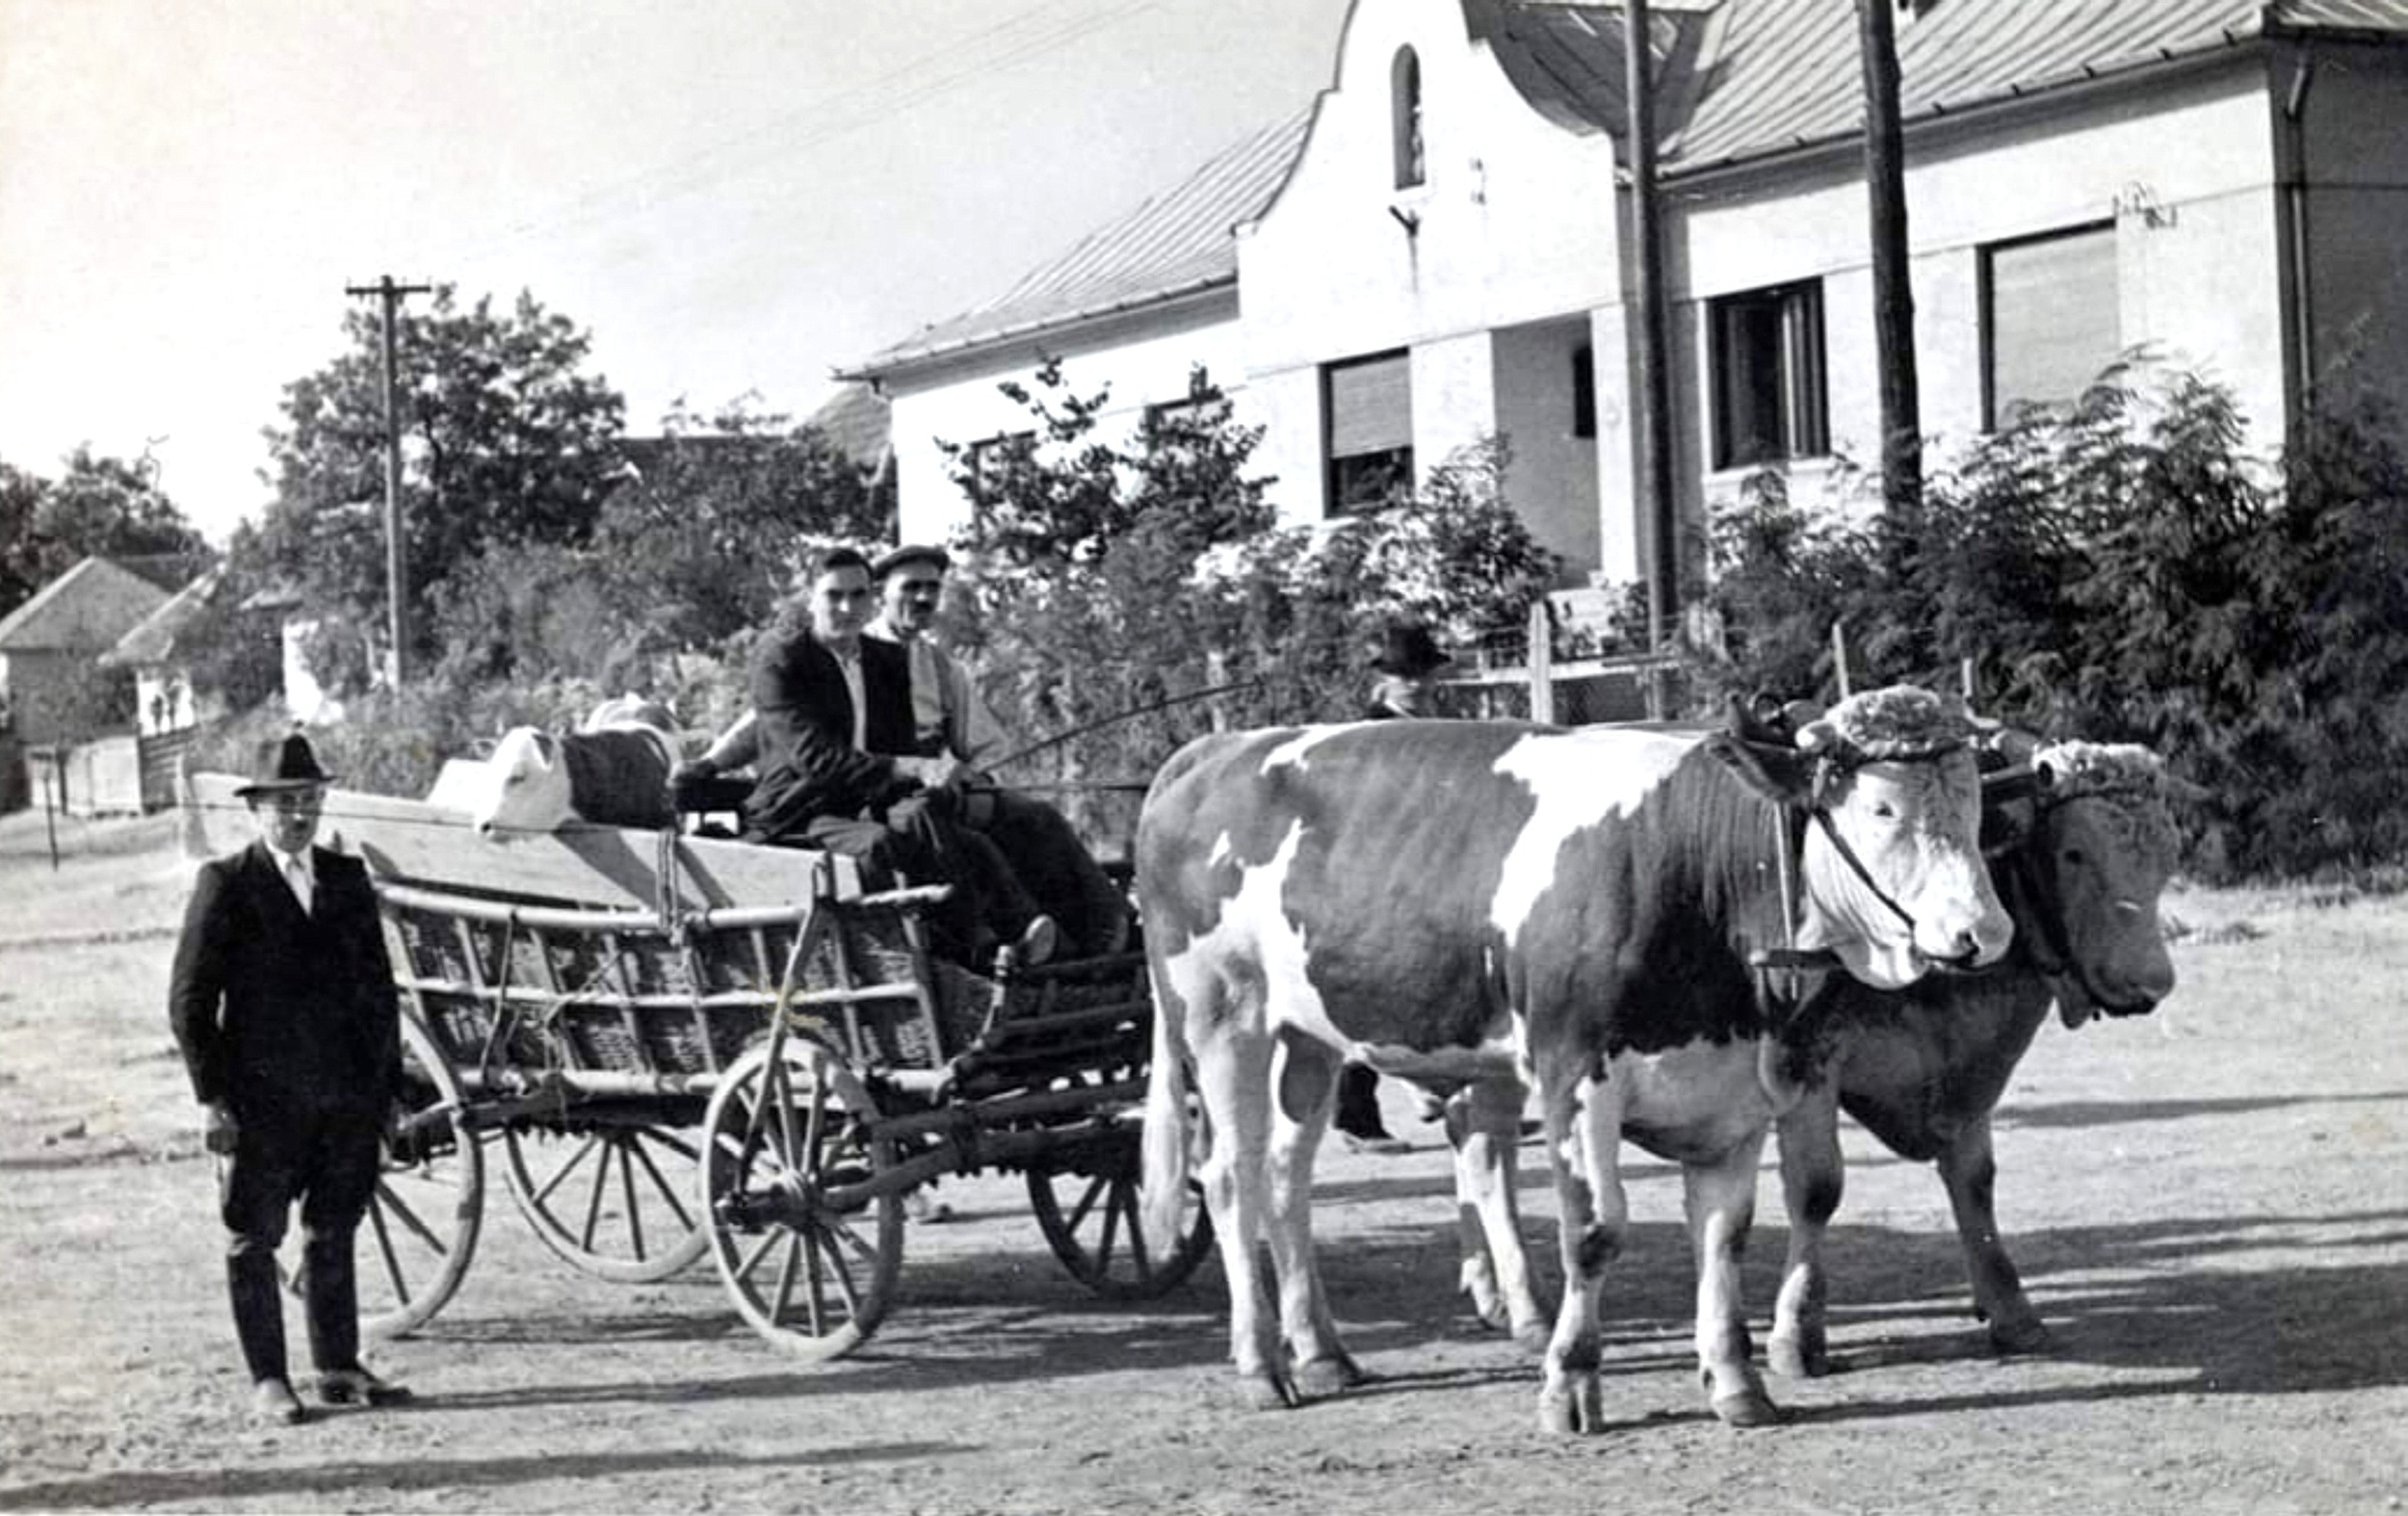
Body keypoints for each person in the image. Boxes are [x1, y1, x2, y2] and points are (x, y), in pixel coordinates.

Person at [169, 733, 414, 1425]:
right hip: (262, 1099)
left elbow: (377, 992)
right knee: (253, 1236)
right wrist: (212, 1097)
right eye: (283, 804)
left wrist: (387, 1092)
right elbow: (189, 1001)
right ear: (257, 810)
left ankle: (337, 1366)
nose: (297, 816)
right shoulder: (228, 883)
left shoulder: (345, 878)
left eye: (308, 801)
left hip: (345, 1096)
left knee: (334, 1229)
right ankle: (269, 1380)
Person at [703, 544, 1057, 968]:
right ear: (811, 598)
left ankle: (1020, 933)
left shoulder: (886, 660)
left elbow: (900, 744)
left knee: (951, 826)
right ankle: (964, 953)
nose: (847, 607)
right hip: (799, 810)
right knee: (883, 845)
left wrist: (942, 778)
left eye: (858, 595)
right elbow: (814, 758)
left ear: (872, 599)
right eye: (834, 595)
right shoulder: (783, 659)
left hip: (866, 801)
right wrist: (910, 768)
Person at [867, 543, 1131, 956]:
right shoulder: (849, 656)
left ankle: (1109, 925)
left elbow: (985, 745)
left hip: (943, 790)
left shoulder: (939, 666)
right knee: (970, 841)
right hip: (881, 797)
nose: (923, 598)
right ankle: (1027, 938)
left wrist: (972, 775)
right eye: (911, 587)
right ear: (881, 590)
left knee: (1036, 818)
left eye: (932, 589)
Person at [1333, 617, 1456, 1155]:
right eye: (1403, 675)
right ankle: (1356, 1118)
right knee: (1375, 999)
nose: (1416, 683)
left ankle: (1449, 1100)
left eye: (1422, 673)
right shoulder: (1371, 735)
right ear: (1381, 681)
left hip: (1431, 869)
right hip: (1380, 875)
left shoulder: (1437, 726)